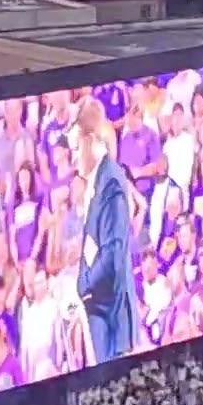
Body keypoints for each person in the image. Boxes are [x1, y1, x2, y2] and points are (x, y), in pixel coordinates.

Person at [75, 102, 139, 363]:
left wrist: (85, 285)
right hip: (101, 314)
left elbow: (112, 253)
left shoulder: (110, 181)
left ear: (90, 141)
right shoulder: (97, 183)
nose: (74, 157)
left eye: (77, 147)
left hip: (112, 320)